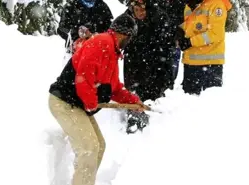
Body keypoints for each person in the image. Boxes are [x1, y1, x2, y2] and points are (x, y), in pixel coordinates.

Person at [48, 14, 146, 185]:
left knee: (99, 147)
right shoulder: (101, 43)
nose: (129, 42)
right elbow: (83, 77)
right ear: (124, 34)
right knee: (89, 149)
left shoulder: (112, 52)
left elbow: (114, 88)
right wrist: (91, 102)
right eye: (130, 38)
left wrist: (133, 101)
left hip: (77, 105)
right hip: (64, 102)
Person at [122, 0, 176, 133]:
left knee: (152, 103)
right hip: (133, 67)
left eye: (142, 9)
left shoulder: (160, 18)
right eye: (136, 10)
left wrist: (167, 77)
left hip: (155, 68)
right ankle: (134, 122)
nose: (139, 13)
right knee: (134, 98)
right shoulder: (126, 18)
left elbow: (168, 49)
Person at [176, 0, 232, 95]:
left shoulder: (217, 4)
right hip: (190, 63)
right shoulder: (191, 4)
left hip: (210, 65)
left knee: (208, 105)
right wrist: (180, 30)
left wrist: (190, 42)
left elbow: (215, 34)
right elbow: (191, 25)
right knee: (188, 106)